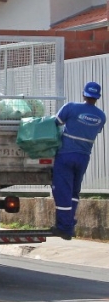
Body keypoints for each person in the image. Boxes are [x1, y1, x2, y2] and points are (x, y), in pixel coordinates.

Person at [50, 81, 106, 240]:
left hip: (66, 155)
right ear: (97, 98)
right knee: (74, 191)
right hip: (83, 157)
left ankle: (64, 228)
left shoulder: (71, 107)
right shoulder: (101, 116)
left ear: (84, 94)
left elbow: (56, 122)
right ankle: (70, 222)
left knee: (62, 191)